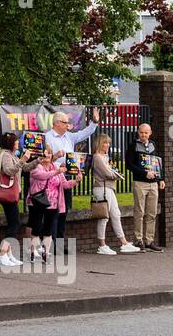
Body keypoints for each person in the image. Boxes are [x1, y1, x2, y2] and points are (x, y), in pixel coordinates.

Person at [43, 108, 99, 254]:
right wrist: (55, 157)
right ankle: (51, 244)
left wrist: (94, 122)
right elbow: (43, 160)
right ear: (57, 123)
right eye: (65, 123)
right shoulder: (47, 137)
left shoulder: (68, 136)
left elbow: (84, 134)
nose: (68, 125)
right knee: (53, 212)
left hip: (67, 177)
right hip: (53, 178)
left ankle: (60, 244)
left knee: (64, 210)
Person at [89, 133, 140, 255]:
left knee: (116, 214)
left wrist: (115, 174)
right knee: (103, 217)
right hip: (102, 188)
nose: (107, 145)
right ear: (99, 143)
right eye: (105, 142)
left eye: (108, 143)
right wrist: (116, 176)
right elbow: (108, 173)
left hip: (109, 188)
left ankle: (124, 243)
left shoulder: (105, 157)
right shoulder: (97, 157)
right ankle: (102, 245)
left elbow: (113, 171)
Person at [0, 132, 37, 267]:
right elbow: (9, 171)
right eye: (16, 142)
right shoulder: (4, 155)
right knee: (15, 223)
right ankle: (2, 254)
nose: (18, 144)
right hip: (7, 192)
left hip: (12, 192)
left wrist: (37, 160)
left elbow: (25, 168)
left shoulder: (12, 155)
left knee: (12, 222)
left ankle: (8, 254)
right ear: (10, 144)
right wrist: (22, 159)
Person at [28, 151, 78, 264]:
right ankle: (33, 253)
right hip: (39, 202)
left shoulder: (56, 168)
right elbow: (42, 176)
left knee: (48, 230)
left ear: (51, 156)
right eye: (44, 154)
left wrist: (76, 181)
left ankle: (45, 255)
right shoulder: (36, 167)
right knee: (36, 229)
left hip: (53, 203)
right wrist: (56, 171)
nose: (46, 156)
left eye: (48, 154)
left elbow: (64, 184)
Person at [124, 122, 166, 252]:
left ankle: (149, 241)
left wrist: (161, 179)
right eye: (141, 132)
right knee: (139, 212)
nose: (143, 135)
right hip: (140, 183)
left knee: (151, 213)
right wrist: (144, 173)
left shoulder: (153, 145)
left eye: (146, 133)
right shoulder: (133, 146)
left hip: (153, 183)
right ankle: (138, 240)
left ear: (150, 133)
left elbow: (157, 163)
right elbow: (129, 165)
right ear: (138, 132)